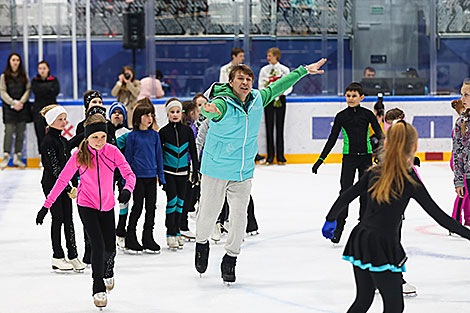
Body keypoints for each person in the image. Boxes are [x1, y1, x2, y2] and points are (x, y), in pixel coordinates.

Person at [196, 58, 327, 284]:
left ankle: (230, 258)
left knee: (239, 219)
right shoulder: (223, 101)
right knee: (208, 214)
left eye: (248, 79)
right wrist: (210, 111)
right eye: (240, 79)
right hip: (215, 168)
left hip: (242, 171)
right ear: (231, 81)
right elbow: (217, 110)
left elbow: (279, 86)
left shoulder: (257, 99)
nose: (245, 82)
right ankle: (201, 243)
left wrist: (303, 70)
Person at [321, 120, 470, 313]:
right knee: (394, 307)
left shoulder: (374, 172)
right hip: (382, 246)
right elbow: (440, 217)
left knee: (363, 300)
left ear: (386, 143)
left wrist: (330, 219)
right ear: (414, 147)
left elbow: (345, 197)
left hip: (361, 239)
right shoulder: (409, 179)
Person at [36, 114, 136, 308]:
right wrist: (46, 206)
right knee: (97, 245)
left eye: (102, 137)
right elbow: (62, 181)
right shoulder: (79, 156)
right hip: (86, 204)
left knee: (110, 248)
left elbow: (129, 174)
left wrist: (127, 189)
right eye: (94, 137)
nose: (99, 142)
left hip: (107, 205)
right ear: (87, 138)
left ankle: (108, 271)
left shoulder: (113, 152)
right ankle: (97, 286)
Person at [312, 82, 383, 244]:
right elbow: (331, 139)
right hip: (349, 159)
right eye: (348, 95)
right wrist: (320, 160)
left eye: (354, 96)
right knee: (345, 193)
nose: (350, 99)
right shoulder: (341, 116)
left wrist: (379, 155)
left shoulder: (367, 115)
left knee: (365, 192)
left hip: (366, 158)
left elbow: (380, 135)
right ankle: (338, 228)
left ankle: (364, 226)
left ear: (361, 97)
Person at [37, 104, 85, 272]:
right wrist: (68, 187)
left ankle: (73, 255)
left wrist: (74, 183)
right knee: (58, 219)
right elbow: (55, 168)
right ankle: (57, 256)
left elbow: (68, 166)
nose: (64, 122)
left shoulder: (63, 141)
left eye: (65, 119)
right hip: (52, 185)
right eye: (60, 119)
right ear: (51, 121)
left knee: (69, 219)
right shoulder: (48, 142)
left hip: (65, 184)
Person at [124, 101, 166, 253]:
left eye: (152, 115)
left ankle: (148, 237)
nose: (150, 118)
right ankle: (130, 236)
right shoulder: (132, 136)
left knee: (151, 208)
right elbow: (127, 160)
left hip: (151, 178)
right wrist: (126, 181)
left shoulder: (155, 135)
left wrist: (161, 177)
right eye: (146, 115)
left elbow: (158, 157)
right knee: (137, 207)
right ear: (138, 117)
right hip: (137, 178)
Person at [159, 98, 199, 249]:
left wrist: (195, 170)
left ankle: (177, 232)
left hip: (183, 173)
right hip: (169, 173)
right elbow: (160, 154)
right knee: (172, 201)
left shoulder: (187, 131)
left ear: (181, 113)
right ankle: (170, 232)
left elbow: (193, 151)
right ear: (168, 114)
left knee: (181, 203)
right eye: (172, 112)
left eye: (177, 111)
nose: (175, 114)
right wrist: (161, 176)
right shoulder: (163, 132)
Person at [258, 47, 292, 165]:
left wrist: (283, 92)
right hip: (269, 99)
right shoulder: (264, 70)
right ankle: (270, 157)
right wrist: (268, 93)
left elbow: (289, 85)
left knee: (280, 127)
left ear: (276, 56)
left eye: (270, 56)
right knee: (269, 127)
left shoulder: (284, 70)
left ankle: (281, 156)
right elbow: (261, 85)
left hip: (281, 99)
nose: (268, 58)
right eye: (267, 56)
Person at [0, 53, 31, 169]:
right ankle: (6, 156)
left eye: (17, 60)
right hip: (9, 109)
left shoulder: (24, 75)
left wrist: (20, 102)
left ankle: (18, 157)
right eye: (13, 60)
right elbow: (2, 92)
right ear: (9, 61)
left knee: (20, 133)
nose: (15, 62)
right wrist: (13, 103)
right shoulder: (4, 76)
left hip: (22, 108)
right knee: (8, 132)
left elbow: (28, 90)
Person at [108, 102, 132, 249]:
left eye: (120, 112)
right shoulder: (103, 132)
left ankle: (121, 230)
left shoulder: (127, 134)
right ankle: (108, 231)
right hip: (107, 173)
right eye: (114, 112)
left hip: (121, 172)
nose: (117, 114)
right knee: (107, 202)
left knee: (124, 201)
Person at [180, 100, 200, 240]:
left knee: (186, 197)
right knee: (185, 197)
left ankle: (181, 225)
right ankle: (183, 225)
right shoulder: (190, 128)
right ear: (192, 113)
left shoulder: (190, 126)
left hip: (187, 165)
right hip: (186, 166)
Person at [31, 61, 60, 158]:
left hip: (52, 110)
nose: (42, 70)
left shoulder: (54, 80)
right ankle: (42, 156)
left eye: (44, 68)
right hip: (38, 111)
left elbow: (54, 92)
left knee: (53, 133)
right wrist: (47, 89)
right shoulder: (35, 81)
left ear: (48, 69)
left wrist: (44, 90)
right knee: (40, 134)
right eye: (40, 68)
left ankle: (54, 154)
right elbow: (37, 92)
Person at [450, 99, 470, 227]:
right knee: (463, 192)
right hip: (460, 162)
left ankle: (467, 219)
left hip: (465, 162)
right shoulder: (460, 125)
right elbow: (458, 149)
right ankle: (455, 220)